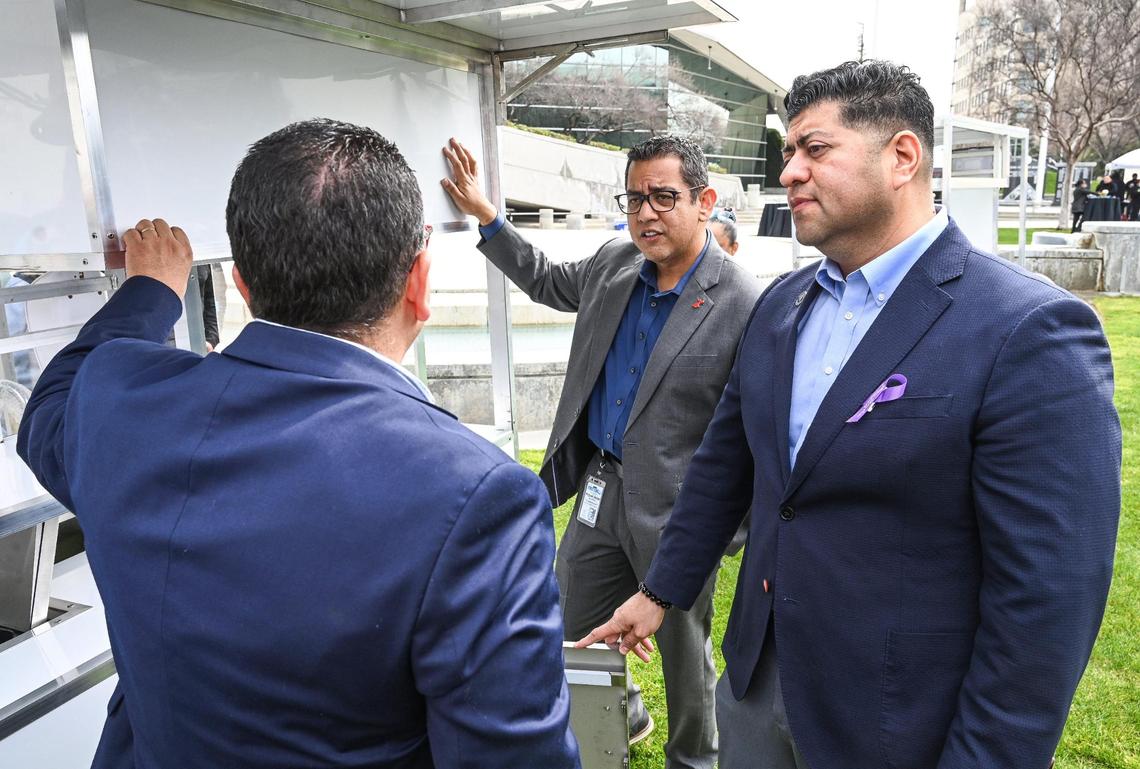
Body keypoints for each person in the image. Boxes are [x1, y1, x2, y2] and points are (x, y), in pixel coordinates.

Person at [580, 60, 1121, 769]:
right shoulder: (781, 305)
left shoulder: (1029, 331)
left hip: (897, 717)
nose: (791, 173)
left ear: (902, 156)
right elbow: (724, 467)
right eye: (787, 154)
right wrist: (658, 591)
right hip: (756, 688)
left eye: (816, 149)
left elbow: (1046, 605)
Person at [18, 119, 579, 769]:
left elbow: (49, 407)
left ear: (244, 284)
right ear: (417, 283)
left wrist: (148, 293)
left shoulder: (122, 409)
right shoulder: (476, 495)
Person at [442, 134, 761, 769]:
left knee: (683, 654)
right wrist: (486, 213)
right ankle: (626, 714)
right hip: (600, 487)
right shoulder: (614, 264)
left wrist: (727, 532)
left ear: (704, 201)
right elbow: (542, 278)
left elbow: (754, 432)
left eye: (664, 197)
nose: (646, 213)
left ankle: (693, 760)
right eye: (635, 197)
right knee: (564, 626)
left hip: (677, 512)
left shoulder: (744, 303)